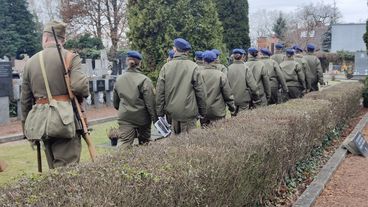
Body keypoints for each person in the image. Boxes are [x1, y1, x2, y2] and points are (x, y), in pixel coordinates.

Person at [21, 20, 89, 169]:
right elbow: (79, 87)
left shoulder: (30, 63)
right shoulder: (70, 57)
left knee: (54, 170)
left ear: (45, 38)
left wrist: (26, 128)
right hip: (65, 121)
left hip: (41, 123)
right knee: (67, 170)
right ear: (63, 40)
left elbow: (25, 100)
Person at [156, 38, 207, 134]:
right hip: (189, 113)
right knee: (188, 145)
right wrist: (202, 111)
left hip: (172, 113)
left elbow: (160, 92)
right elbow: (200, 91)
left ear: (175, 49)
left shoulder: (166, 67)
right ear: (187, 52)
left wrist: (160, 113)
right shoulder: (193, 66)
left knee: (174, 144)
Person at [113, 51, 157, 148]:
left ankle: (118, 162)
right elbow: (150, 103)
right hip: (142, 118)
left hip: (125, 117)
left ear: (126, 62)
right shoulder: (145, 80)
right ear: (140, 63)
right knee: (145, 144)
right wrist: (155, 119)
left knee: (123, 144)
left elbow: (116, 103)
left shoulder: (119, 79)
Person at [200, 50, 235, 126]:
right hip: (218, 112)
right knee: (218, 135)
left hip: (203, 111)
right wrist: (232, 108)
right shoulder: (221, 75)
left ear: (203, 60)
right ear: (215, 60)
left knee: (203, 135)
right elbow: (227, 95)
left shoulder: (198, 75)